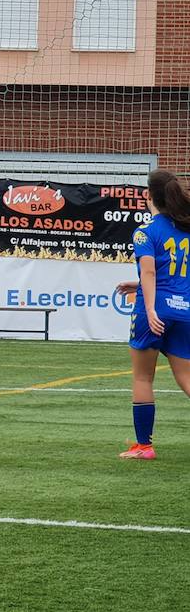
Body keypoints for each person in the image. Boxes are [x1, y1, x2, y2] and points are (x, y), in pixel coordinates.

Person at [114, 170, 190, 460]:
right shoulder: (186, 228)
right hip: (185, 311)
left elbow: (148, 269)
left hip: (155, 312)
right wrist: (141, 286)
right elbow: (173, 272)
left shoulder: (146, 231)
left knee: (143, 378)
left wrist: (149, 306)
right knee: (186, 379)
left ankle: (144, 446)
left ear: (148, 196)